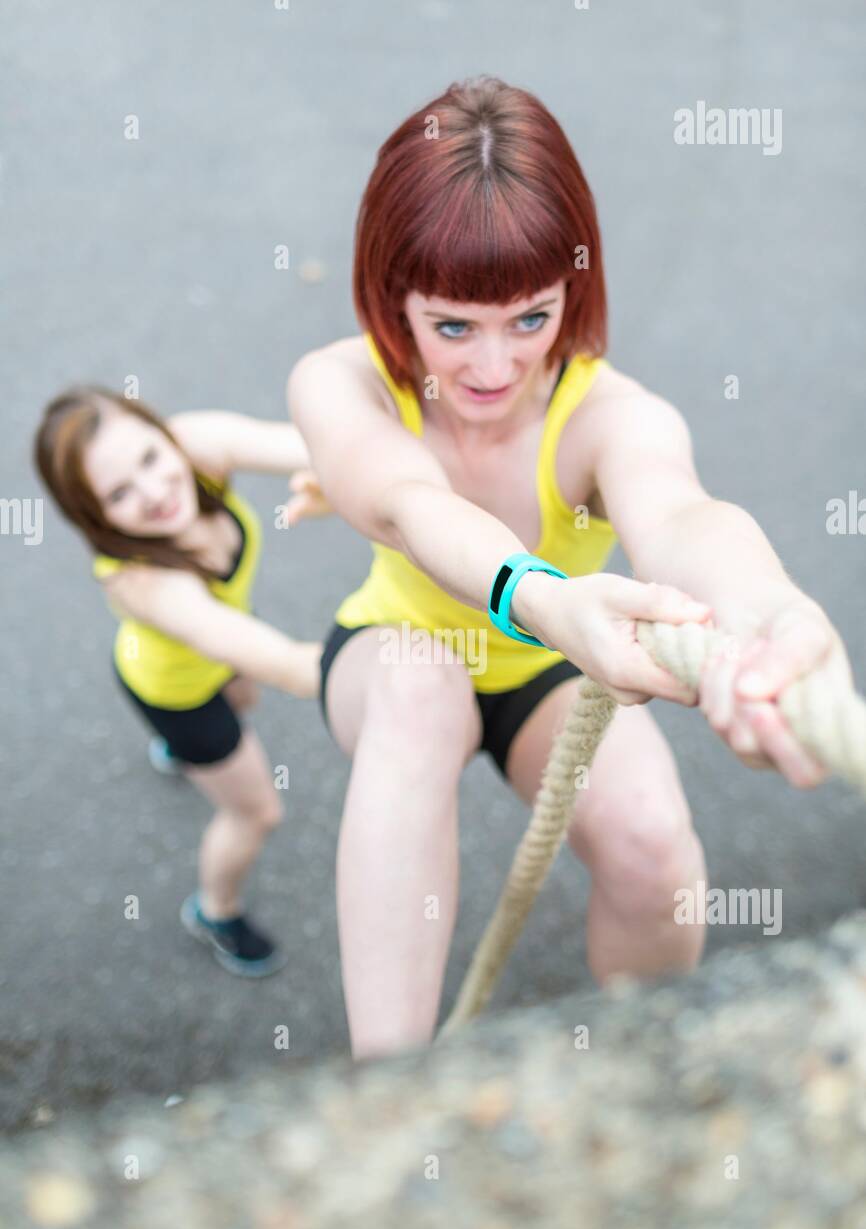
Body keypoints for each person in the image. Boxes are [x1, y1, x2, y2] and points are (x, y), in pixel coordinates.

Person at [288, 75, 853, 1057]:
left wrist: (769, 610)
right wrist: (539, 596)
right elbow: (408, 506)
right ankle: (382, 1094)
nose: (495, 368)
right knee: (422, 695)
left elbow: (680, 513)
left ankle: (638, 1071)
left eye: (530, 317)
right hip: (399, 648)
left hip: (551, 666)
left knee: (648, 841)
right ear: (392, 297)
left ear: (571, 291)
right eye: (453, 324)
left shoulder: (610, 415)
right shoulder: (338, 382)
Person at [34, 389, 329, 977]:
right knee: (256, 812)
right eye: (118, 494)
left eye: (149, 458)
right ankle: (215, 912)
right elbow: (295, 668)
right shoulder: (143, 584)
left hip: (219, 647)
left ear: (162, 432)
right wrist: (428, 654)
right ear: (94, 516)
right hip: (176, 689)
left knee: (244, 697)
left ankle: (177, 754)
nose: (154, 491)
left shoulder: (194, 447)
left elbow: (322, 446)